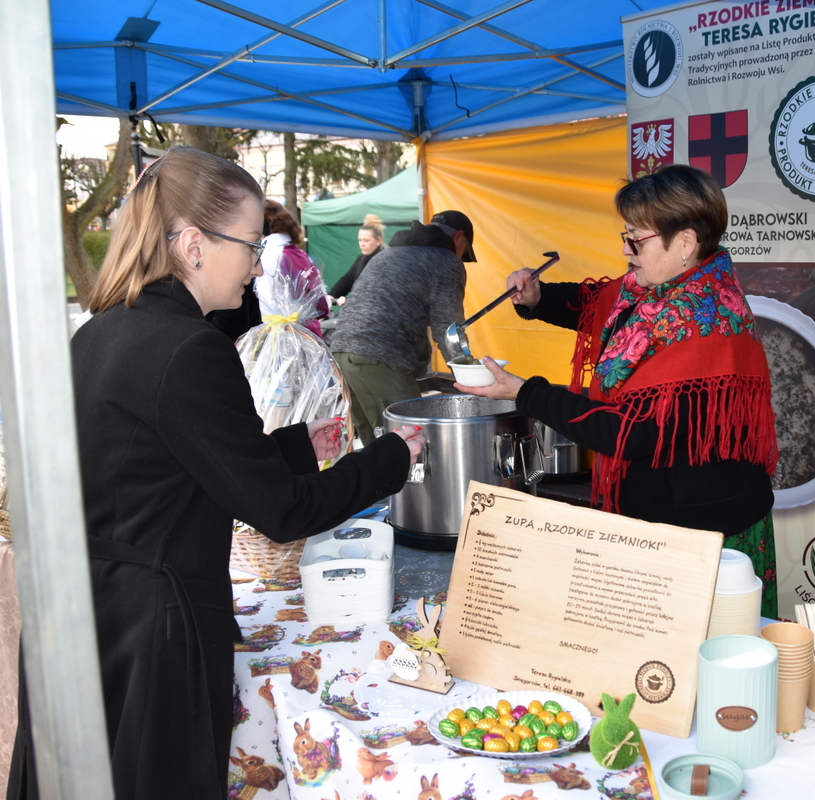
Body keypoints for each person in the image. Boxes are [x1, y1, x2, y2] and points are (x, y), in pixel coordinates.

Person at [6, 146, 426, 800]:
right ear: (195, 245)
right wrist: (393, 455)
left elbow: (166, 464)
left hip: (87, 615)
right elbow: (283, 512)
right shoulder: (189, 348)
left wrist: (291, 445)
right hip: (152, 633)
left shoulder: (99, 333)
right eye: (251, 245)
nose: (257, 265)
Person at [457, 165, 780, 614]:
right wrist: (537, 298)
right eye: (625, 236)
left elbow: (631, 433)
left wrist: (525, 393)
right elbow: (599, 305)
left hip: (706, 530)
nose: (626, 251)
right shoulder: (659, 289)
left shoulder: (702, 322)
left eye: (637, 240)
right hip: (663, 513)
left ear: (685, 243)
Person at [328, 211, 476, 444]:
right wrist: (470, 378)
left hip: (340, 350)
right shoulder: (447, 261)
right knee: (410, 442)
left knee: (373, 447)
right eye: (464, 251)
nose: (460, 257)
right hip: (379, 356)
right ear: (459, 237)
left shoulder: (388, 254)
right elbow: (447, 330)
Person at [255, 199, 329, 337]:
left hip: (282, 337)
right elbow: (323, 305)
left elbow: (268, 305)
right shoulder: (298, 254)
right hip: (310, 334)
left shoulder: (268, 256)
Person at [328, 212, 385, 305]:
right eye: (360, 240)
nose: (362, 244)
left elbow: (372, 291)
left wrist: (348, 300)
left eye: (366, 240)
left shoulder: (384, 261)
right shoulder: (361, 259)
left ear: (378, 241)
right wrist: (332, 295)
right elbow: (347, 280)